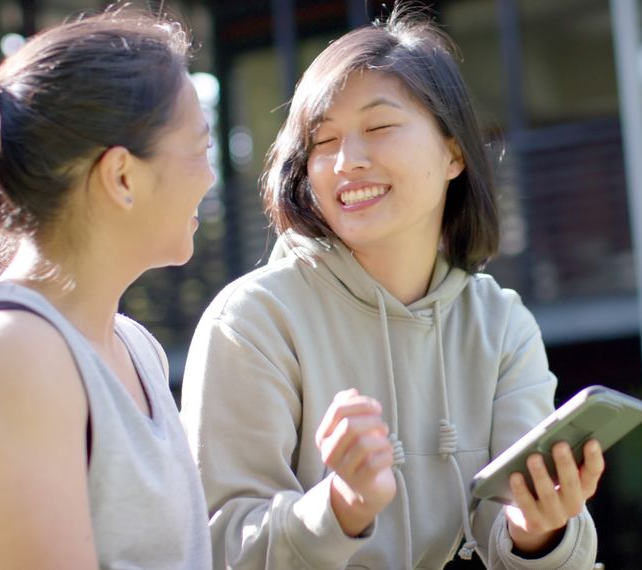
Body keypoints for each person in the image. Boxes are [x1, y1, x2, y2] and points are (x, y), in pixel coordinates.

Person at [180, 5, 604, 569]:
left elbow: (518, 538)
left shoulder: (501, 324)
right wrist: (341, 507)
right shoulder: (252, 321)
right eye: (323, 141)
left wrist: (538, 529)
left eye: (378, 128)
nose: (345, 162)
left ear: (454, 151)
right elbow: (220, 547)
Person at [0, 8, 214, 569]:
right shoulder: (11, 356)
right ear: (123, 177)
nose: (209, 176)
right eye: (200, 149)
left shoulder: (136, 348)